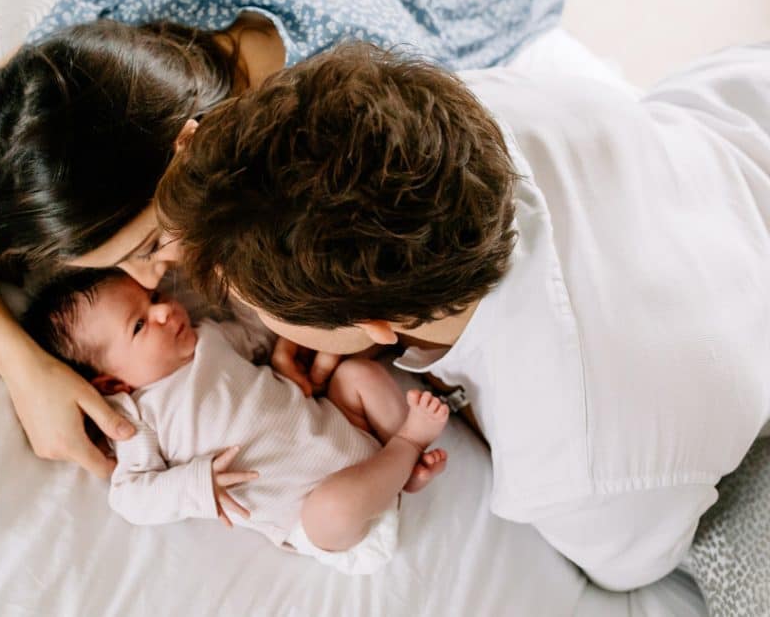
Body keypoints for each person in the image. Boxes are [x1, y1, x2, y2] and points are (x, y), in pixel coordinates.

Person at [0, 0, 563, 478]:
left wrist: (313, 307)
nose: (155, 277)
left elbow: (438, 284)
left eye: (151, 244)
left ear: (192, 148)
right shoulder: (96, 58)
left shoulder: (360, 111)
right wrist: (23, 364)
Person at [155, 42, 770, 590]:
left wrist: (455, 405)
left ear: (374, 325)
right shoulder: (442, 114)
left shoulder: (582, 461)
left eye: (248, 299)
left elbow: (634, 569)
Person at [19, 268, 449, 574]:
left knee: (357, 376)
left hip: (343, 425)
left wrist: (229, 277)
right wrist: (195, 485)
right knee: (331, 510)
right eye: (139, 325)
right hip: (315, 509)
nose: (165, 311)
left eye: (152, 299)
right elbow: (129, 496)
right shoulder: (136, 416)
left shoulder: (211, 336)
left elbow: (261, 332)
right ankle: (407, 445)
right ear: (111, 380)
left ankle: (403, 468)